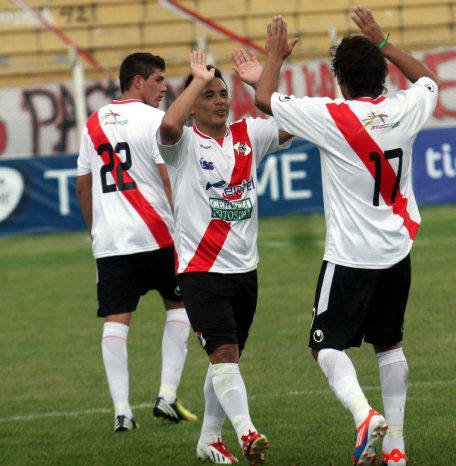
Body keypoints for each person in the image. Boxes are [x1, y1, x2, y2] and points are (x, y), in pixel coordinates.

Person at [255, 7, 440, 466]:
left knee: (325, 344)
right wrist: (383, 41)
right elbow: (428, 79)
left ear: (339, 79)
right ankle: (395, 445)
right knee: (389, 344)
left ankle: (363, 416)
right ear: (382, 73)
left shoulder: (330, 116)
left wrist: (274, 56)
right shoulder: (406, 107)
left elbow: (265, 101)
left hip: (352, 256)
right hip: (397, 250)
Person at [157, 50, 293, 464]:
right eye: (209, 94)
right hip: (200, 270)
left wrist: (264, 76)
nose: (219, 100)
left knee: (227, 358)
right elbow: (167, 124)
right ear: (194, 102)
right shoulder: (182, 147)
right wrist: (197, 79)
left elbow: (293, 123)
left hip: (245, 270)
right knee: (223, 355)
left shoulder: (249, 133)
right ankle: (247, 431)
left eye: (223, 93)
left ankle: (208, 440)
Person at [76, 52, 197, 432]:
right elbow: (167, 179)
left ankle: (122, 411)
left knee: (116, 320)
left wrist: (97, 229)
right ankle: (166, 394)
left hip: (112, 242)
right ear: (137, 81)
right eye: (158, 80)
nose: (164, 88)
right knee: (179, 306)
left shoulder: (93, 123)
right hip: (158, 233)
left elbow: (83, 184)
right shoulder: (155, 120)